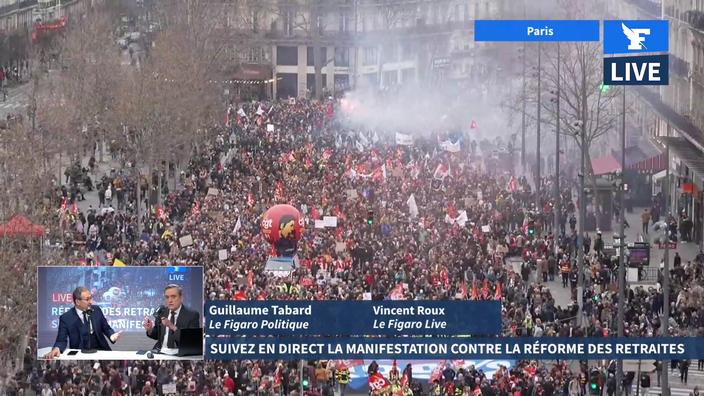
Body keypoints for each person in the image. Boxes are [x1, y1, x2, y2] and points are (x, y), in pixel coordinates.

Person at [43, 287, 123, 359]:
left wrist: (111, 335)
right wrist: (57, 348)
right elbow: (61, 340)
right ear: (77, 301)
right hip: (80, 354)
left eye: (91, 298)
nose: (91, 302)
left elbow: (106, 327)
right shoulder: (66, 318)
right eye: (87, 299)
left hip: (101, 351)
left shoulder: (96, 310)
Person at [142, 284, 200, 351]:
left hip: (180, 353)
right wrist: (150, 330)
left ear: (181, 298)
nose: (170, 300)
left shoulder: (192, 315)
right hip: (160, 352)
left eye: (173, 297)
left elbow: (192, 342)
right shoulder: (162, 312)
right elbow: (157, 336)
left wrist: (172, 326)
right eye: (167, 297)